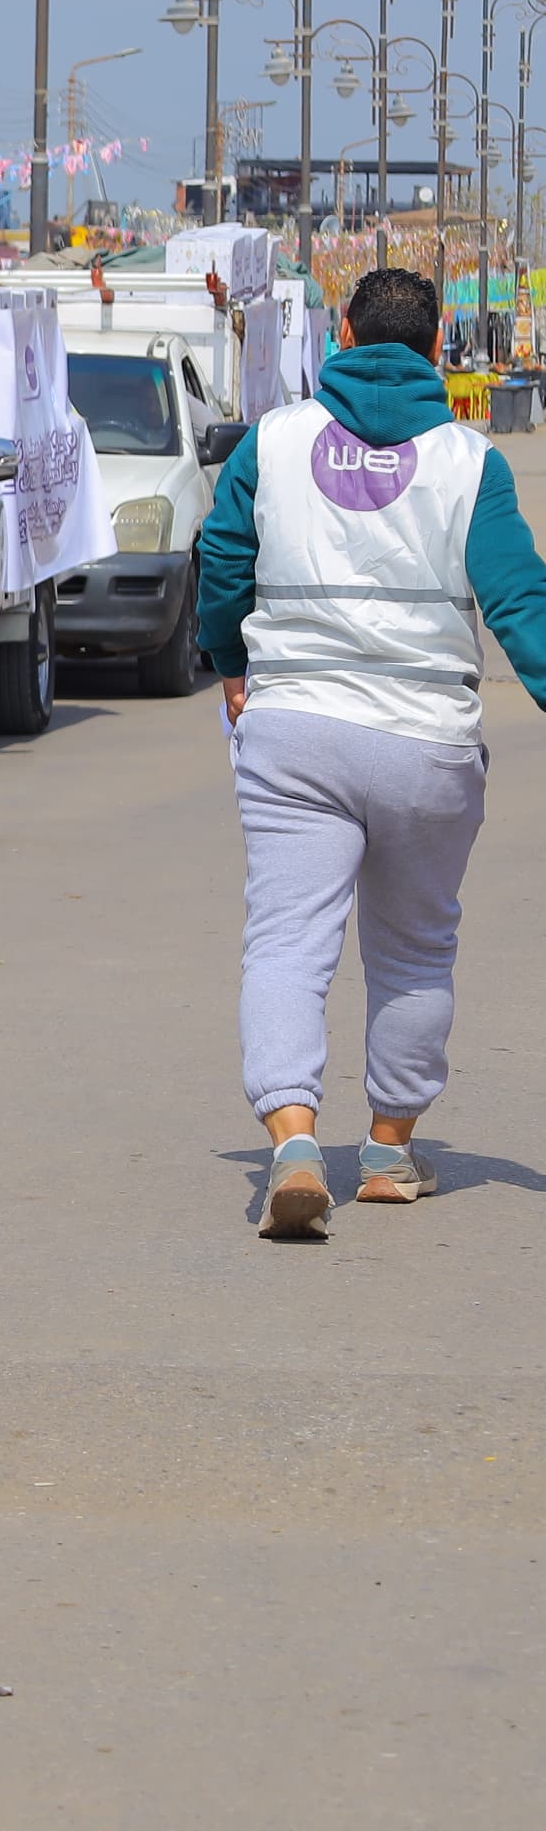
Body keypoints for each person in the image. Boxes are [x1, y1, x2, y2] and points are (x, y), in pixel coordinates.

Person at [197, 266, 546, 1237]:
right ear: (437, 348)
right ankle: (389, 1149)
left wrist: (230, 658)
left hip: (295, 733)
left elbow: (221, 559)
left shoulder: (272, 440)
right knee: (416, 948)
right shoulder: (471, 462)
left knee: (287, 943)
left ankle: (296, 1140)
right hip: (426, 742)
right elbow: (520, 604)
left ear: (340, 333)